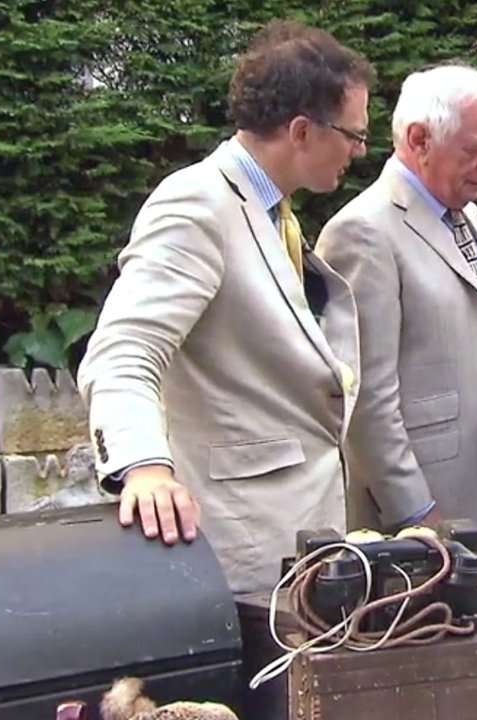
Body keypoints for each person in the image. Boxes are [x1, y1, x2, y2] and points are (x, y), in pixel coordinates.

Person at [76, 20, 375, 595]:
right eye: (354, 134)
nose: (361, 151)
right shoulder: (195, 204)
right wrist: (143, 466)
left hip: (303, 548)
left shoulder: (273, 212)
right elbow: (123, 349)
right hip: (243, 558)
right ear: (301, 131)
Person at [315, 63, 477, 539]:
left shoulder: (467, 213)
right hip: (420, 520)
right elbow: (364, 396)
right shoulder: (363, 231)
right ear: (419, 140)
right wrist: (414, 512)